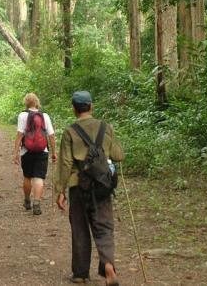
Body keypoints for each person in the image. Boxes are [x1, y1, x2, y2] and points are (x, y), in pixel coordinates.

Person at [54, 91, 124, 285]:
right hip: (102, 185)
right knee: (104, 227)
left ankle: (80, 274)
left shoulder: (70, 131)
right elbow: (118, 155)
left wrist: (60, 191)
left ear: (74, 109)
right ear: (91, 106)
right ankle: (108, 265)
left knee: (80, 228)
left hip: (79, 186)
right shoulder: (105, 127)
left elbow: (66, 163)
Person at [12, 93, 57, 216]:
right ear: (37, 102)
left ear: (26, 103)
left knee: (27, 176)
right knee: (39, 178)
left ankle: (27, 201)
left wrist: (15, 153)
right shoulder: (45, 116)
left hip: (26, 151)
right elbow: (51, 136)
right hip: (42, 151)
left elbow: (20, 135)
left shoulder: (22, 115)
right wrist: (54, 152)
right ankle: (37, 204)